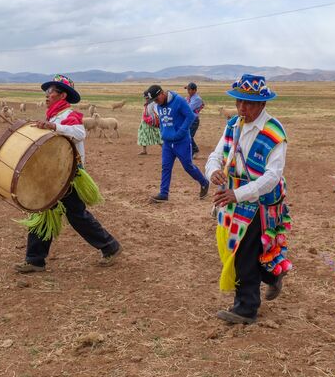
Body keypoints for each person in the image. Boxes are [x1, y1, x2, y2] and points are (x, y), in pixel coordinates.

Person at [205, 74, 292, 325]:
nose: (242, 108)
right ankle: (272, 274)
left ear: (263, 104)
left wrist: (238, 193)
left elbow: (272, 177)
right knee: (243, 250)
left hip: (260, 202)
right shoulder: (233, 125)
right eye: (239, 102)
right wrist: (214, 172)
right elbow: (215, 155)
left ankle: (246, 308)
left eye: (249, 103)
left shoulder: (274, 133)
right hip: (233, 198)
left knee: (244, 252)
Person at [14, 74, 122, 273]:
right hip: (56, 174)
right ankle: (35, 259)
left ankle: (109, 246)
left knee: (72, 214)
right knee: (46, 211)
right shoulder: (54, 116)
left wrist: (54, 127)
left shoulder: (67, 116)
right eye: (46, 92)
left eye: (51, 92)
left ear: (62, 95)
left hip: (68, 174)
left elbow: (80, 133)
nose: (47, 95)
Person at [144, 84, 209, 202]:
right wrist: (163, 132)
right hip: (168, 143)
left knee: (188, 166)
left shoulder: (178, 100)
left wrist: (181, 132)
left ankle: (204, 182)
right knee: (166, 167)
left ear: (162, 93)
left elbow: (190, 116)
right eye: (154, 101)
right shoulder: (158, 105)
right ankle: (164, 194)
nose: (156, 102)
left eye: (156, 99)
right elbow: (164, 121)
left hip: (182, 141)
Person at [185, 82, 204, 159]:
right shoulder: (189, 98)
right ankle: (192, 151)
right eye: (188, 89)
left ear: (194, 90)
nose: (188, 91)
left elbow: (188, 108)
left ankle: (195, 151)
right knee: (187, 135)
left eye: (189, 89)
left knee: (189, 136)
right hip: (189, 119)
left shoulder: (197, 99)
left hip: (194, 120)